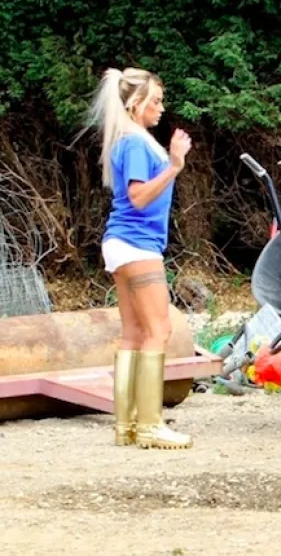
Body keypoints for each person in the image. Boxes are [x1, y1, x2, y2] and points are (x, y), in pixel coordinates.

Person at [87, 67, 193, 449]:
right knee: (158, 330)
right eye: (155, 102)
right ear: (136, 105)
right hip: (136, 245)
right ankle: (150, 425)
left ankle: (127, 426)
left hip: (122, 245)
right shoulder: (134, 143)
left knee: (133, 332)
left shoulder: (132, 140)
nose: (161, 108)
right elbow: (137, 197)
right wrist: (175, 166)